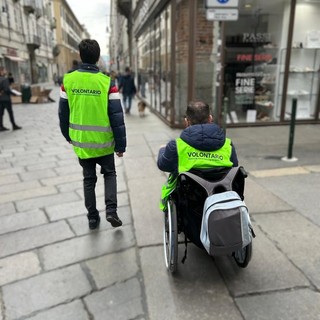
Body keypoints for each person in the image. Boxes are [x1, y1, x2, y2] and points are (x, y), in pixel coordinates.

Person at [58, 39, 126, 230]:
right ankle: (111, 211)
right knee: (110, 174)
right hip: (104, 142)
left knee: (89, 179)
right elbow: (116, 116)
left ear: (80, 55)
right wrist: (120, 145)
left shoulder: (68, 81)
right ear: (98, 57)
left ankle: (92, 218)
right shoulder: (107, 82)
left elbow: (63, 113)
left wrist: (68, 135)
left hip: (82, 143)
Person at [157, 100, 238, 211]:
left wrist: (163, 150)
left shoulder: (176, 146)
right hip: (220, 198)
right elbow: (234, 167)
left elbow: (163, 165)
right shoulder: (227, 144)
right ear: (210, 119)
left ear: (187, 121)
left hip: (188, 203)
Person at [0, 67, 22, 132]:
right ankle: (14, 125)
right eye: (4, 70)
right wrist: (14, 93)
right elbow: (7, 89)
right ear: (1, 71)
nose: (5, 71)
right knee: (10, 112)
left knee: (0, 113)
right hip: (6, 99)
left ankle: (1, 126)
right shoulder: (4, 79)